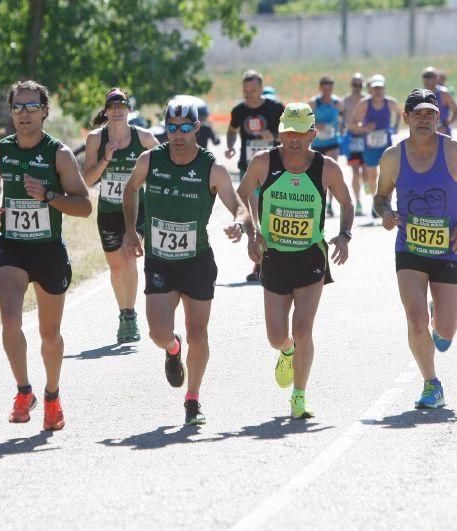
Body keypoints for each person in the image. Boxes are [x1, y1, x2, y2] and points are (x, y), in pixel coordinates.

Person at [122, 99, 253, 426]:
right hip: (160, 261)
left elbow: (239, 206)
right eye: (171, 127)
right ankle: (172, 348)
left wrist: (239, 224)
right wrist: (129, 231)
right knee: (157, 332)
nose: (177, 134)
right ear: (165, 128)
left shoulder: (212, 168)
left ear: (197, 128)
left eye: (184, 128)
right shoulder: (150, 159)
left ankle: (192, 399)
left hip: (196, 261)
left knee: (199, 332)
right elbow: (129, 190)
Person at [374, 88, 457, 409]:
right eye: (418, 114)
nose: (424, 119)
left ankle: (441, 321)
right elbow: (380, 197)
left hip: (449, 249)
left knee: (445, 330)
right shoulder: (393, 157)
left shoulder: (455, 152)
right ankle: (431, 384)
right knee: (415, 321)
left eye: (430, 114)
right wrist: (385, 213)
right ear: (406, 118)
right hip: (409, 249)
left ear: (438, 118)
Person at [0, 80, 92, 431]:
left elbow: (85, 206)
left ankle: (52, 395)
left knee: (49, 334)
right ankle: (23, 391)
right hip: (12, 247)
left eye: (31, 107)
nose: (24, 114)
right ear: (10, 111)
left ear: (45, 111)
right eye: (18, 108)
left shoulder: (58, 154)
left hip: (47, 251)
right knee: (10, 321)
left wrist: (47, 196)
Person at [237, 103, 354, 419]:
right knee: (277, 337)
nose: (293, 139)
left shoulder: (326, 168)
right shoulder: (264, 163)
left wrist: (344, 235)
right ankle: (286, 351)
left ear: (313, 133)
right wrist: (253, 232)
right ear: (280, 132)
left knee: (303, 330)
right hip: (274, 256)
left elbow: (347, 203)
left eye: (300, 133)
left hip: (310, 258)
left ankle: (299, 396)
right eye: (288, 132)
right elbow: (241, 196)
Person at [82, 88, 159, 344]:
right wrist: (106, 158)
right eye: (112, 106)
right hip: (109, 210)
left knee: (129, 259)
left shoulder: (144, 138)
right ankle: (123, 311)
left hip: (137, 209)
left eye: (121, 106)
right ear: (105, 111)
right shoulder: (96, 139)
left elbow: (163, 165)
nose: (116, 110)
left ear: (129, 110)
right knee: (116, 267)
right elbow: (88, 180)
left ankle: (130, 315)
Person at [226, 70, 285, 281]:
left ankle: (274, 259)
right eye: (246, 91)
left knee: (272, 215)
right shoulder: (239, 110)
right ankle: (259, 264)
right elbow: (232, 130)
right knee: (254, 215)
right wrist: (230, 146)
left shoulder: (276, 108)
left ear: (261, 89)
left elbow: (293, 135)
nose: (249, 94)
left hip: (274, 168)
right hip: (248, 168)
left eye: (253, 90)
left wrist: (275, 137)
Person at [347, 74, 400, 217]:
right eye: (375, 88)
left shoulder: (390, 103)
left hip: (385, 145)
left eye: (380, 88)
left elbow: (400, 113)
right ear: (370, 89)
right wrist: (365, 128)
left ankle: (387, 203)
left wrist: (395, 126)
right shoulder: (364, 104)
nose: (378, 91)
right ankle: (375, 203)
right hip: (370, 145)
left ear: (384, 89)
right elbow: (352, 124)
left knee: (388, 175)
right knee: (372, 176)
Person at [308, 76, 343, 217]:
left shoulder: (337, 103)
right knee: (319, 174)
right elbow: (307, 122)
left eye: (330, 89)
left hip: (333, 142)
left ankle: (330, 204)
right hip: (317, 143)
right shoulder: (313, 103)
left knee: (331, 172)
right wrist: (316, 126)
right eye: (324, 89)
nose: (327, 91)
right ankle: (319, 201)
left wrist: (341, 128)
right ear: (320, 88)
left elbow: (342, 119)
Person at [341, 73, 366, 216]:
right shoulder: (345, 101)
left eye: (359, 85)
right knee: (355, 171)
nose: (357, 88)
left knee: (368, 173)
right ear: (351, 85)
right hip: (352, 139)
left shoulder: (366, 100)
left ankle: (368, 188)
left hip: (365, 138)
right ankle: (358, 201)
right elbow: (339, 117)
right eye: (354, 85)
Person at [423, 67, 457, 136]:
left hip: (443, 136)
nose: (427, 79)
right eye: (425, 76)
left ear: (436, 78)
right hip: (426, 136)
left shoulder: (443, 94)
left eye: (430, 76)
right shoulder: (420, 95)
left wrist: (445, 124)